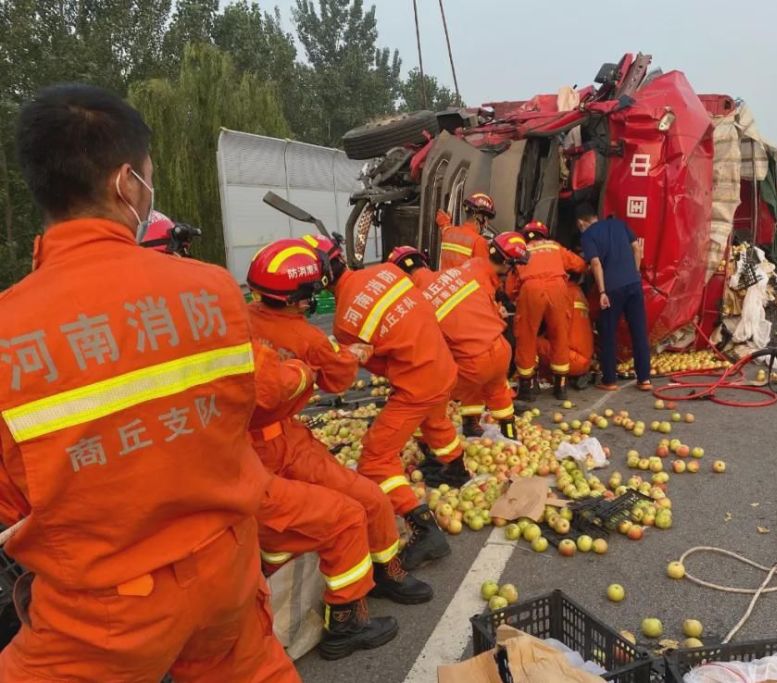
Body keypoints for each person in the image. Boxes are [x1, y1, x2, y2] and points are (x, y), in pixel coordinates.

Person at [0, 84, 298, 681]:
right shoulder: (211, 290)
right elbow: (255, 405)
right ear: (126, 184)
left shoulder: (11, 329)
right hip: (226, 576)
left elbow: (11, 502)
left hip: (102, 616)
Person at [246, 239, 435, 659]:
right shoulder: (309, 339)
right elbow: (336, 381)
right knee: (347, 513)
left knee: (368, 495)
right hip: (260, 455)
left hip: (286, 440)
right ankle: (345, 620)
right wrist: (350, 356)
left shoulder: (239, 321)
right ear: (302, 297)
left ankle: (384, 570)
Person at [318, 238, 459, 570]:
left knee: (375, 459)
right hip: (443, 366)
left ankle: (424, 529)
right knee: (435, 421)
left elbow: (360, 371)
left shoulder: (344, 323)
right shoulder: (388, 272)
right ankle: (456, 466)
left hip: (416, 384)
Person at [386, 232, 528, 450]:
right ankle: (509, 436)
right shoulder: (457, 274)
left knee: (427, 396)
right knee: (496, 386)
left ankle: (432, 455)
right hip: (501, 352)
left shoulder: (414, 303)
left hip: (473, 364)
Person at [576, 203, 651, 391]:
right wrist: (634, 272)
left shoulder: (588, 236)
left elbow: (595, 263)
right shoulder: (619, 224)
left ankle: (609, 380)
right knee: (639, 331)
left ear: (581, 223)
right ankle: (644, 379)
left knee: (608, 333)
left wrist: (602, 292)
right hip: (633, 285)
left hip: (612, 289)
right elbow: (636, 249)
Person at [508, 220, 586, 401]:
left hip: (531, 288)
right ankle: (561, 387)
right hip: (558, 287)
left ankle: (526, 388)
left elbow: (511, 288)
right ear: (545, 234)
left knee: (526, 336)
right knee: (559, 334)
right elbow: (580, 264)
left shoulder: (522, 251)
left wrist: (516, 300)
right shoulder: (555, 246)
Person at [538, 278, 595, 389]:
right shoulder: (578, 292)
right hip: (586, 360)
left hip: (570, 359)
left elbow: (554, 325)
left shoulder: (563, 294)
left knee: (530, 342)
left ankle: (538, 380)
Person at [437, 192, 494, 269]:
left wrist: (444, 222)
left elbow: (444, 226)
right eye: (485, 218)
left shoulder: (448, 232)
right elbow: (484, 273)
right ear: (477, 216)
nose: (486, 223)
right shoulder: (479, 242)